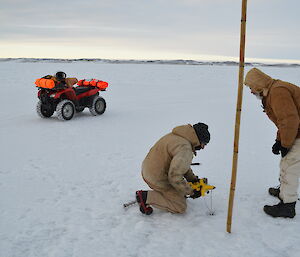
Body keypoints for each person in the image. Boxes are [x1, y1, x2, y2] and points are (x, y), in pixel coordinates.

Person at [244, 68, 300, 218]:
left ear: (258, 84)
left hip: (297, 133)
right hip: (295, 132)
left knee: (290, 166)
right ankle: (284, 191)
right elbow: (282, 121)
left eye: (251, 87)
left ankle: (288, 206)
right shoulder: (273, 90)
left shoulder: (278, 92)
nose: (251, 92)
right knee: (286, 164)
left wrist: (286, 144)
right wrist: (279, 141)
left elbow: (290, 120)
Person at [136, 123, 210, 215]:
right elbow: (174, 176)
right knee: (180, 206)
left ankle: (173, 193)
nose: (203, 147)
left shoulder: (178, 136)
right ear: (198, 139)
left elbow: (182, 166)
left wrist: (193, 179)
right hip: (157, 178)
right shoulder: (185, 148)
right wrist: (191, 191)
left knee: (180, 190)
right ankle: (145, 197)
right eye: (204, 143)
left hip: (148, 170)